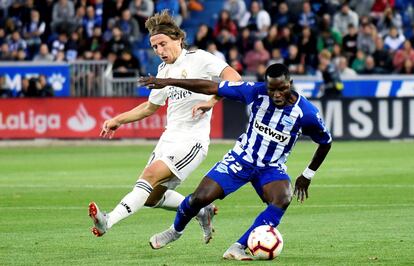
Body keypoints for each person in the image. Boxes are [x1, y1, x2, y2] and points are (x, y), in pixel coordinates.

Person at [139, 63, 332, 260]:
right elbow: (211, 86)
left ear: (290, 84)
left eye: (281, 89)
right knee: (199, 198)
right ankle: (175, 231)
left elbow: (326, 142)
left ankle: (238, 246)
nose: (276, 95)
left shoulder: (306, 113)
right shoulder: (255, 92)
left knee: (282, 198)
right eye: (271, 89)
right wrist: (167, 82)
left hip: (271, 168)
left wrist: (307, 175)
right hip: (240, 158)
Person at [88, 10, 241, 244]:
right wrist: (118, 119)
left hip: (192, 141)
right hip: (169, 139)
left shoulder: (198, 58)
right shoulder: (163, 71)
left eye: (163, 44)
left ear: (178, 39)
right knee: (150, 198)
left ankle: (107, 221)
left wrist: (211, 101)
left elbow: (234, 78)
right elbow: (150, 107)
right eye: (154, 47)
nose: (159, 51)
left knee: (148, 177)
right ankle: (201, 211)